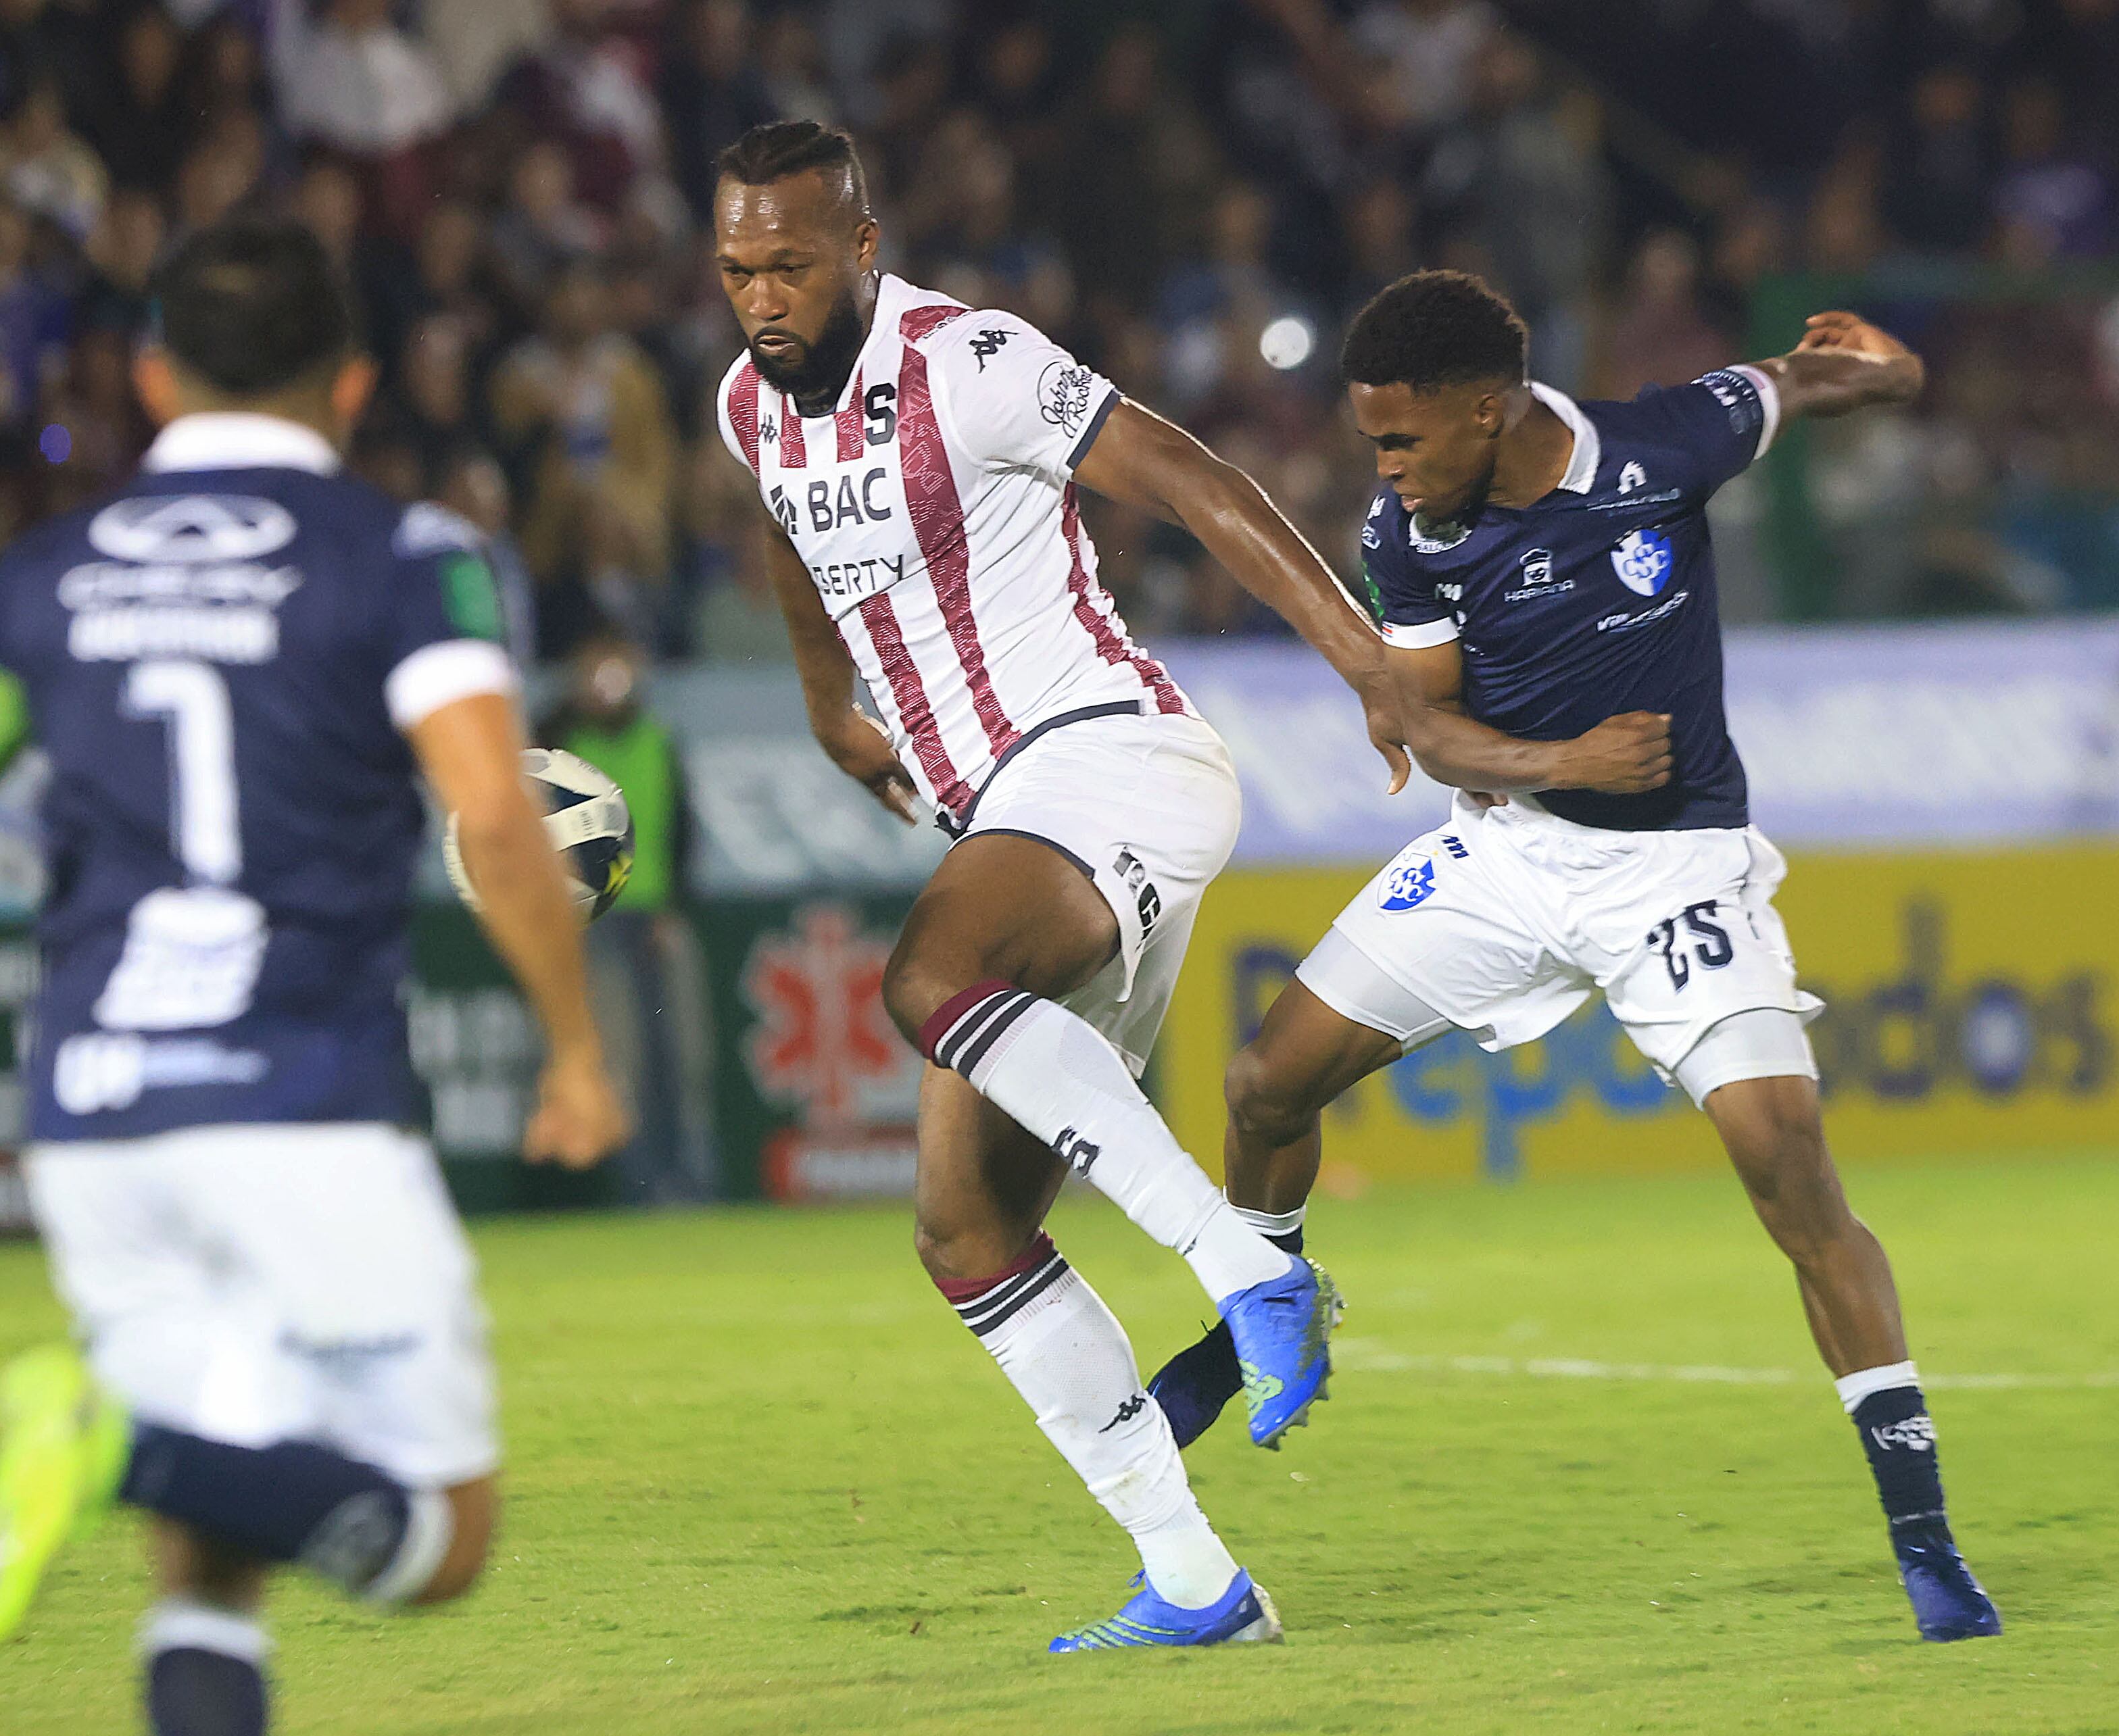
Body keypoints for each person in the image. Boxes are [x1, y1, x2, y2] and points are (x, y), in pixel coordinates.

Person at [0, 216, 627, 1736]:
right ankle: (113, 1451)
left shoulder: (40, 573)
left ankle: (140, 1475)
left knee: (211, 1558)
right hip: (301, 1098)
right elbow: (497, 816)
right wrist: (575, 1050)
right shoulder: (402, 559)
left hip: (96, 1116)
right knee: (444, 1538)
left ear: (152, 372)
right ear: (353, 381)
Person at [1165, 270, 2001, 1645]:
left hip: (1675, 868)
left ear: (1487, 412)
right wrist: (1562, 762)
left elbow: (1788, 382)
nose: (1378, 467)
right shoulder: (1408, 530)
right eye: (1371, 438)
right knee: (1264, 1082)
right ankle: (1275, 1301)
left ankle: (1924, 1540)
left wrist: (1881, 370)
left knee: (1785, 1164)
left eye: (1401, 437)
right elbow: (1424, 729)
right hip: (1503, 850)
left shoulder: (1659, 448)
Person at [708, 121, 1407, 1654]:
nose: (761, 297)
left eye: (790, 265)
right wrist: (830, 703)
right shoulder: (747, 407)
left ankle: (1249, 1276)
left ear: (863, 249)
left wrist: (1364, 657)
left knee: (922, 981)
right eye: (737, 268)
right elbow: (788, 538)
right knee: (964, 1226)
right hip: (1015, 823)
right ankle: (1191, 1581)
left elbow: (1193, 479)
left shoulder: (970, 363)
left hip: (1114, 757)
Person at [540, 632, 715, 1204]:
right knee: (624, 1059)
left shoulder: (659, 740)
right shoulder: (566, 744)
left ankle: (694, 1181)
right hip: (595, 922)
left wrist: (676, 909)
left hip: (658, 919)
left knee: (686, 1055)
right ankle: (639, 1186)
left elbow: (682, 831)